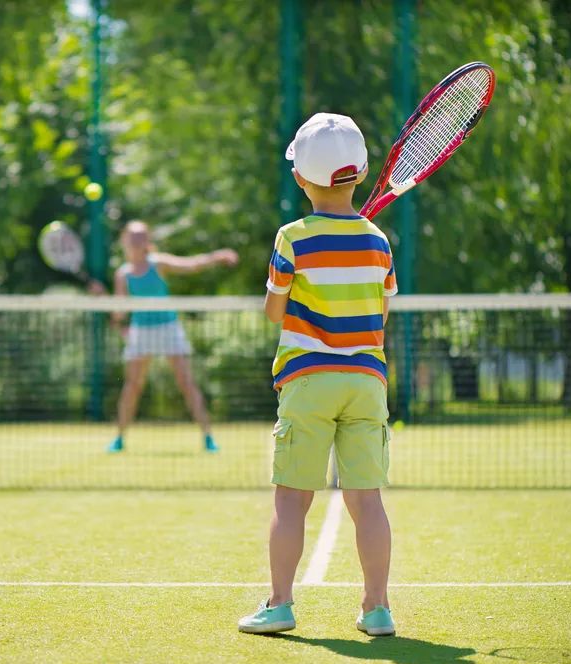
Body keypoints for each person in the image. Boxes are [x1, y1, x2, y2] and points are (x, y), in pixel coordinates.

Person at [238, 113, 398, 636]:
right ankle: (377, 609)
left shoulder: (292, 238)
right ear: (362, 172)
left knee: (291, 498)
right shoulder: (378, 242)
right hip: (366, 381)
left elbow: (273, 312)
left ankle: (280, 603)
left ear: (299, 178)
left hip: (308, 379)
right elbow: (381, 314)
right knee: (366, 501)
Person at [106, 220, 237, 453]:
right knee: (132, 387)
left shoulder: (158, 263)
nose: (136, 241)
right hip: (141, 331)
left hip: (168, 328)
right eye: (132, 237)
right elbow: (119, 312)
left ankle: (208, 438)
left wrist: (216, 257)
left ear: (147, 241)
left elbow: (192, 265)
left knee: (186, 383)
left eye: (141, 236)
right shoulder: (122, 274)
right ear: (124, 241)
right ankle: (119, 439)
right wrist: (104, 302)